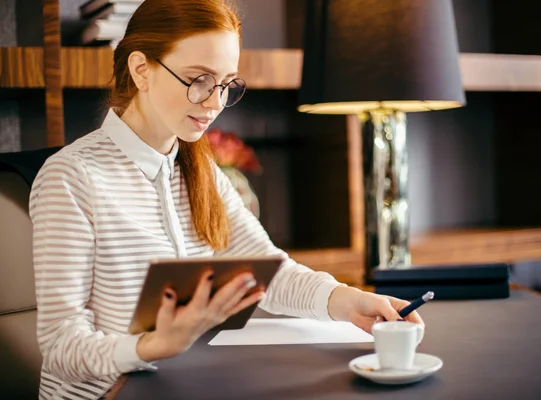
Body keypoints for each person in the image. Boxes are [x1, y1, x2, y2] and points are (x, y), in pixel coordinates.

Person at [29, 0, 423, 399]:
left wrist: (346, 300)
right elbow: (61, 347)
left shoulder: (199, 168)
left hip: (187, 384)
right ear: (141, 70)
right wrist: (153, 346)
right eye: (198, 79)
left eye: (225, 83)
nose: (215, 102)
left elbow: (268, 273)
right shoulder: (72, 177)